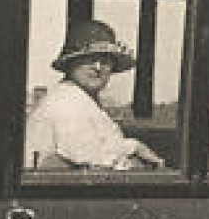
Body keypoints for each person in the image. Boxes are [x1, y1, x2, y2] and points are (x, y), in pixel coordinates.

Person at [25, 19, 165, 171]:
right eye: (89, 59)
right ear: (71, 63)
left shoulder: (83, 100)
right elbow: (90, 156)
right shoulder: (65, 101)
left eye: (105, 60)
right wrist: (135, 147)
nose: (98, 67)